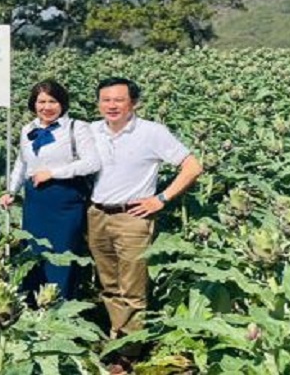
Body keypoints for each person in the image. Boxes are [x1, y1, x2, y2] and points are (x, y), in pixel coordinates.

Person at [87, 77, 203, 371]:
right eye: (105, 100)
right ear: (99, 103)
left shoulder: (152, 132)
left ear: (133, 103)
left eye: (118, 100)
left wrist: (161, 198)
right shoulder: (91, 131)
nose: (111, 105)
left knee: (132, 287)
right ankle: (117, 337)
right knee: (109, 285)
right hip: (97, 213)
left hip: (133, 217)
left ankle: (128, 353)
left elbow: (192, 167)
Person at [0, 79, 101, 300]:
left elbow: (92, 163)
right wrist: (11, 191)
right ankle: (31, 308)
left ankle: (60, 308)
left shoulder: (77, 128)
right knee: (32, 255)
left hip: (65, 199)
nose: (46, 107)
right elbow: (22, 163)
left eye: (52, 101)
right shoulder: (29, 129)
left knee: (62, 256)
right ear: (33, 104)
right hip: (35, 201)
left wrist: (53, 173)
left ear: (63, 103)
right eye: (41, 101)